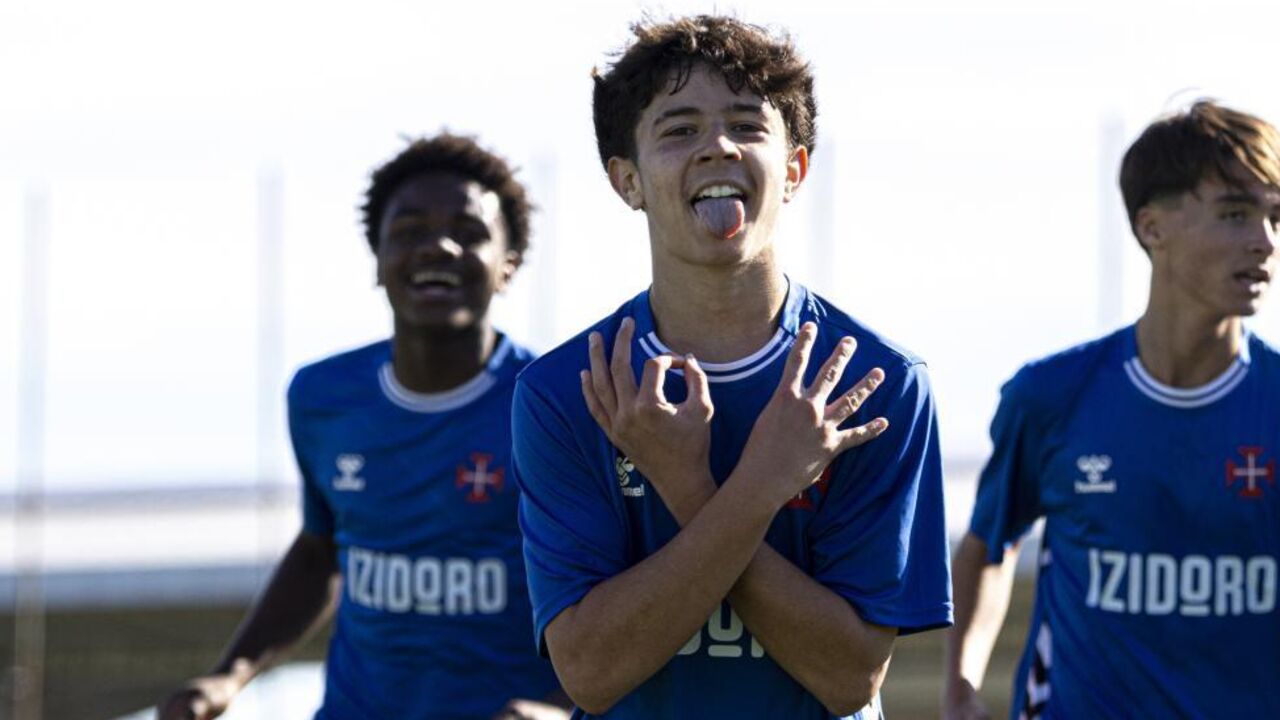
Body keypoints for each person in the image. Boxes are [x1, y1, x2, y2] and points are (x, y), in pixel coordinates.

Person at [512, 16, 952, 719]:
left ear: (796, 169)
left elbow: (848, 677)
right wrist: (751, 489)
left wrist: (691, 487)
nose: (718, 147)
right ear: (627, 180)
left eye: (748, 126)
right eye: (679, 130)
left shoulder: (878, 382)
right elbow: (592, 672)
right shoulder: (570, 389)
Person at [158, 134, 567, 720]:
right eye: (409, 230)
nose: (439, 246)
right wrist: (229, 677)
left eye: (469, 230)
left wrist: (559, 709)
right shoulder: (322, 397)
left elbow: (624, 594)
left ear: (509, 264)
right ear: (377, 259)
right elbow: (320, 550)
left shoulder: (556, 403)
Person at [943, 100, 1280, 719]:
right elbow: (990, 544)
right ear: (1152, 227)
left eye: (1276, 218)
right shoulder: (1052, 396)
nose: (1265, 242)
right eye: (1236, 214)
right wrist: (961, 687)